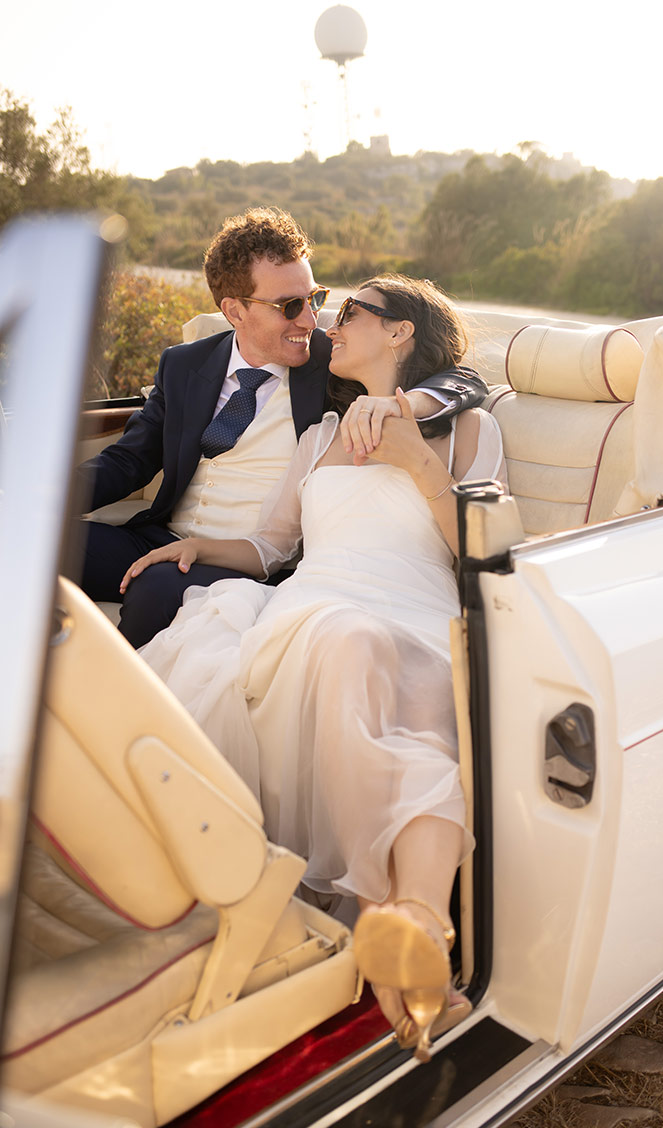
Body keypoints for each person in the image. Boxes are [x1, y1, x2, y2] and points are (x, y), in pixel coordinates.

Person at [121, 275, 507, 1060]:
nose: (331, 322)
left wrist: (417, 462)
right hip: (317, 603)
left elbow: (486, 551)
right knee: (345, 642)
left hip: (421, 608)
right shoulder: (318, 436)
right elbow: (271, 547)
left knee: (400, 679)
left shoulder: (469, 432)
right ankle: (409, 922)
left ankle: (402, 923)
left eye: (352, 312)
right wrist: (197, 548)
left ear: (401, 332)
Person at [75, 207, 488, 647]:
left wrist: (398, 404)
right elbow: (128, 460)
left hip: (252, 564)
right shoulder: (184, 364)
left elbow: (459, 378)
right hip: (162, 539)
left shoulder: (333, 363)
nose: (310, 320)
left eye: (314, 298)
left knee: (154, 591)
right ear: (234, 310)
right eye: (289, 306)